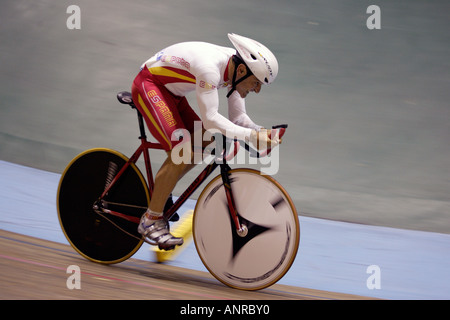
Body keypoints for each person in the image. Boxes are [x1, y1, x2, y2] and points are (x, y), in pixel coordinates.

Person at [132, 33, 280, 250]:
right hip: (149, 85)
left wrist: (260, 132)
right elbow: (211, 119)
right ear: (241, 71)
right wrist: (250, 136)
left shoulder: (235, 69)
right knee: (181, 150)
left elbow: (237, 118)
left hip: (172, 93)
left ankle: (162, 191)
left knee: (205, 142)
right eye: (256, 83)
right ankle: (151, 220)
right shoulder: (210, 69)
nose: (257, 90)